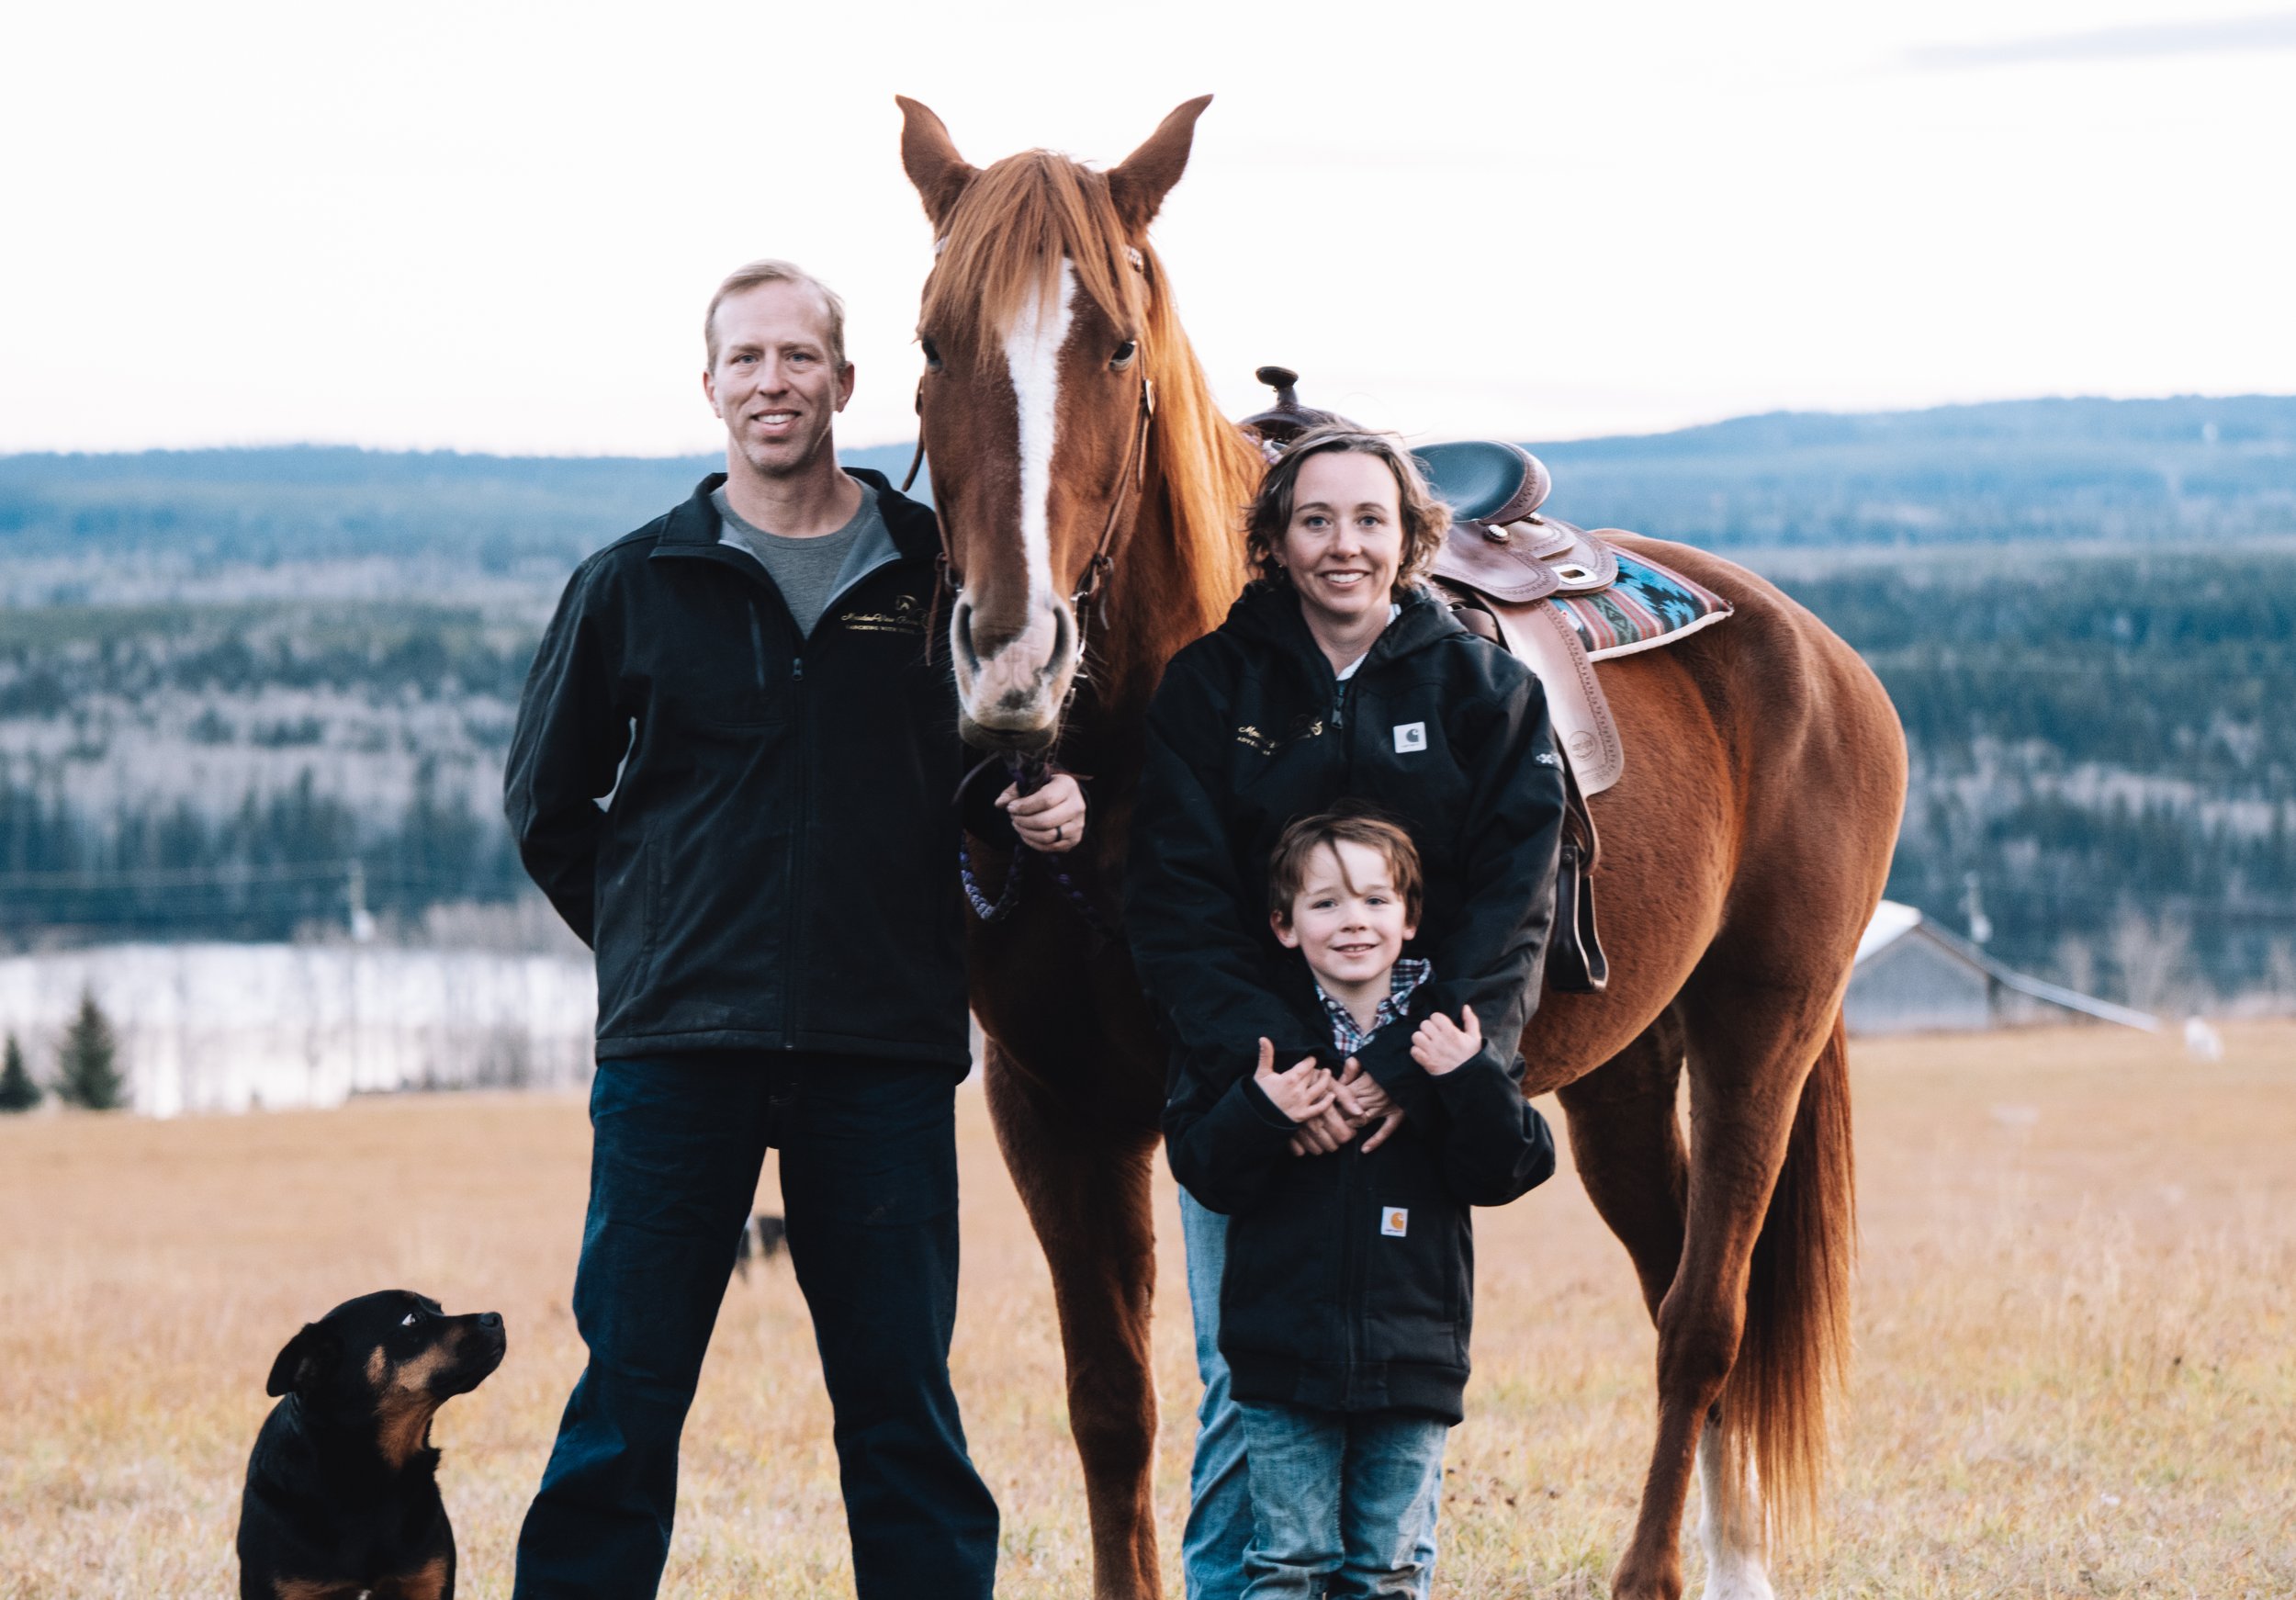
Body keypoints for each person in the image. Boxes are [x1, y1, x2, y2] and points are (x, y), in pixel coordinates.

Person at [502, 257, 1086, 1599]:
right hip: (676, 1053)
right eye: (748, 360)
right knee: (626, 1400)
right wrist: (656, 941)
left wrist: (1030, 805)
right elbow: (548, 800)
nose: (774, 383)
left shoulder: (938, 574)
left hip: (878, 1049)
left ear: (847, 381)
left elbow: (991, 759)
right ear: (710, 386)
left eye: (799, 358)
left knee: (901, 1407)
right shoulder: (636, 580)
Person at [1124, 424, 1568, 1599]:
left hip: (1414, 1095)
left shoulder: (1482, 690)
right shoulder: (1209, 688)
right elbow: (1179, 905)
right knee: (1242, 1371)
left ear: (1411, 535)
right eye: (1314, 520)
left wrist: (1409, 1072)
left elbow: (1511, 906)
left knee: (1395, 1392)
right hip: (1257, 1090)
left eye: (1370, 519)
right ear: (1271, 541)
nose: (1343, 545)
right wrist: (1287, 1076)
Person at [1165, 811, 1555, 1597]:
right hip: (1281, 1359)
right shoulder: (1263, 1042)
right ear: (1282, 926)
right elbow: (1204, 1168)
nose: (1354, 923)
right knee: (1287, 1562)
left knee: (1387, 1568)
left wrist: (1465, 1077)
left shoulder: (1444, 1037)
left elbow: (1515, 1164)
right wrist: (1263, 1111)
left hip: (1413, 1358)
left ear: (1411, 919)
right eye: (1326, 904)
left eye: (1376, 902)